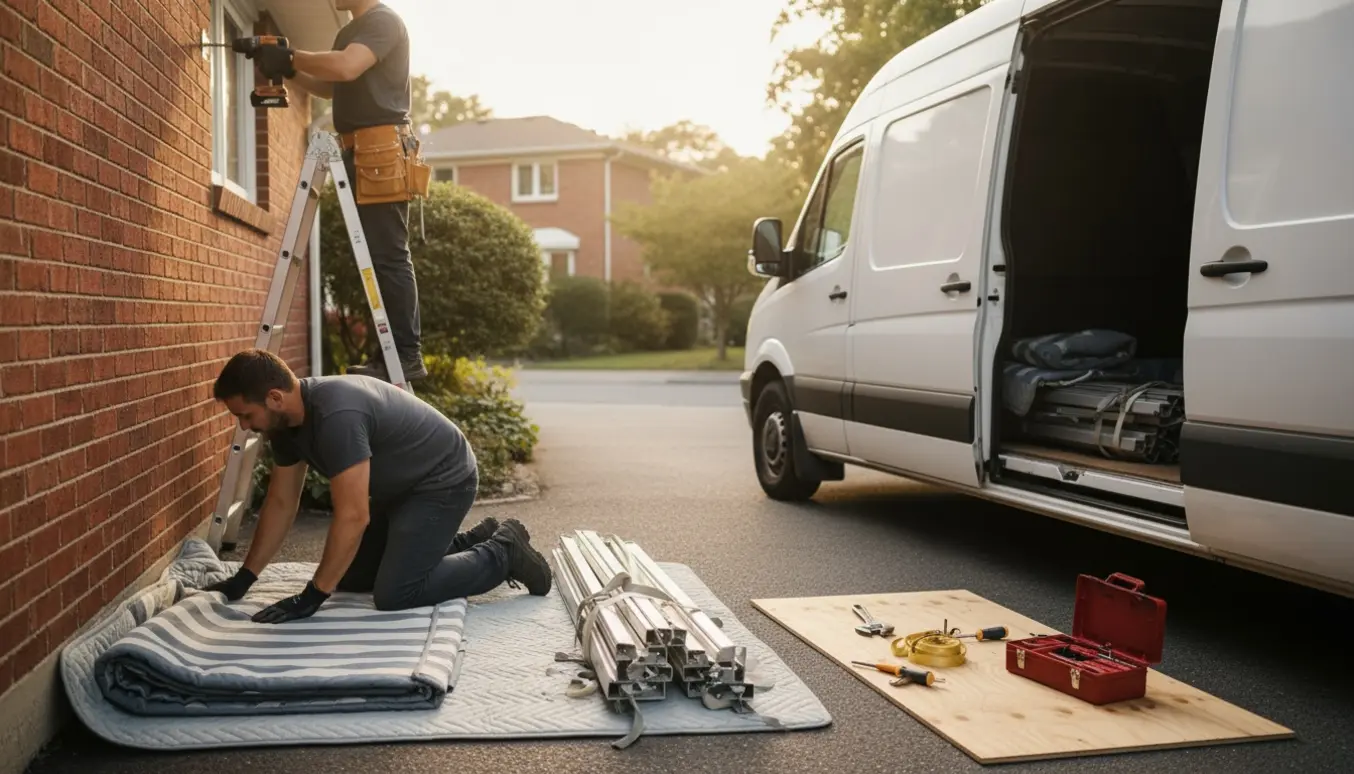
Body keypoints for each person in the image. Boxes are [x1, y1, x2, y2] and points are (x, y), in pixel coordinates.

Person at [204, 349, 552, 624]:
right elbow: (281, 503)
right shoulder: (285, 426)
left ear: (275, 398)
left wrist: (311, 597)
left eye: (246, 415)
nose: (246, 427)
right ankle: (468, 541)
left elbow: (354, 516)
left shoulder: (335, 417)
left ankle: (504, 551)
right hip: (399, 488)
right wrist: (245, 578)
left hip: (443, 480)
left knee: (397, 593)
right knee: (351, 577)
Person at [251, 1, 426, 382]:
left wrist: (292, 53)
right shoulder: (349, 32)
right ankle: (390, 354)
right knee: (376, 257)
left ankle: (406, 355)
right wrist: (289, 68)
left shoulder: (382, 22)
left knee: (388, 255)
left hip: (380, 151)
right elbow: (333, 86)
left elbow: (346, 66)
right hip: (359, 150)